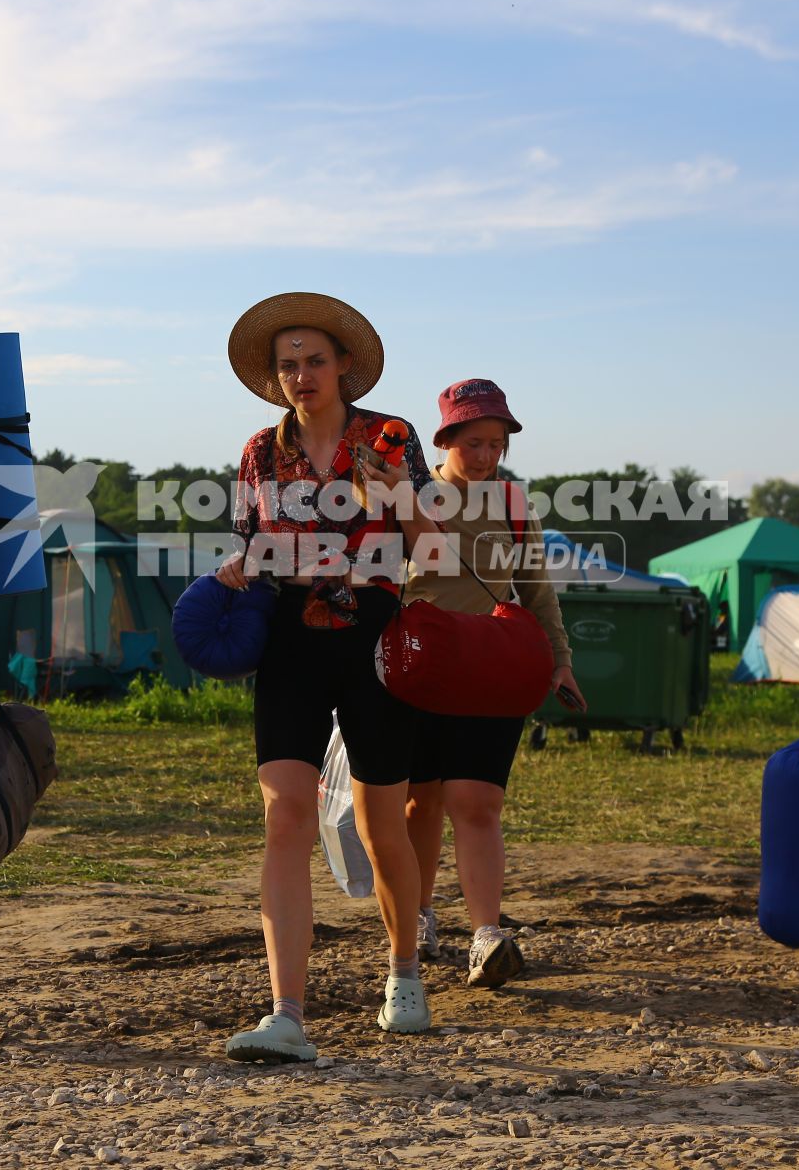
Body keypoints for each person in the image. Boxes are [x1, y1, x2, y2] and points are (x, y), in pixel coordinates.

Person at [218, 292, 438, 1063]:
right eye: (288, 365)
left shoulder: (391, 435)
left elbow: (431, 546)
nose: (301, 375)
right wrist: (238, 568)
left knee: (381, 825)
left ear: (345, 365)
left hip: (375, 634)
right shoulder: (258, 452)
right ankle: (287, 1014)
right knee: (285, 816)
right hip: (289, 638)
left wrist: (395, 492)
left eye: (314, 361)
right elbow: (250, 545)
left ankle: (404, 971)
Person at [401, 380, 583, 990]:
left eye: (496, 444)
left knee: (478, 803)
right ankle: (419, 916)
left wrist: (559, 660)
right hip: (421, 669)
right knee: (419, 801)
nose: (485, 456)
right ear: (445, 439)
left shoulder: (512, 503)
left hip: (490, 668)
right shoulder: (412, 495)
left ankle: (485, 936)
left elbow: (536, 588)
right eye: (473, 442)